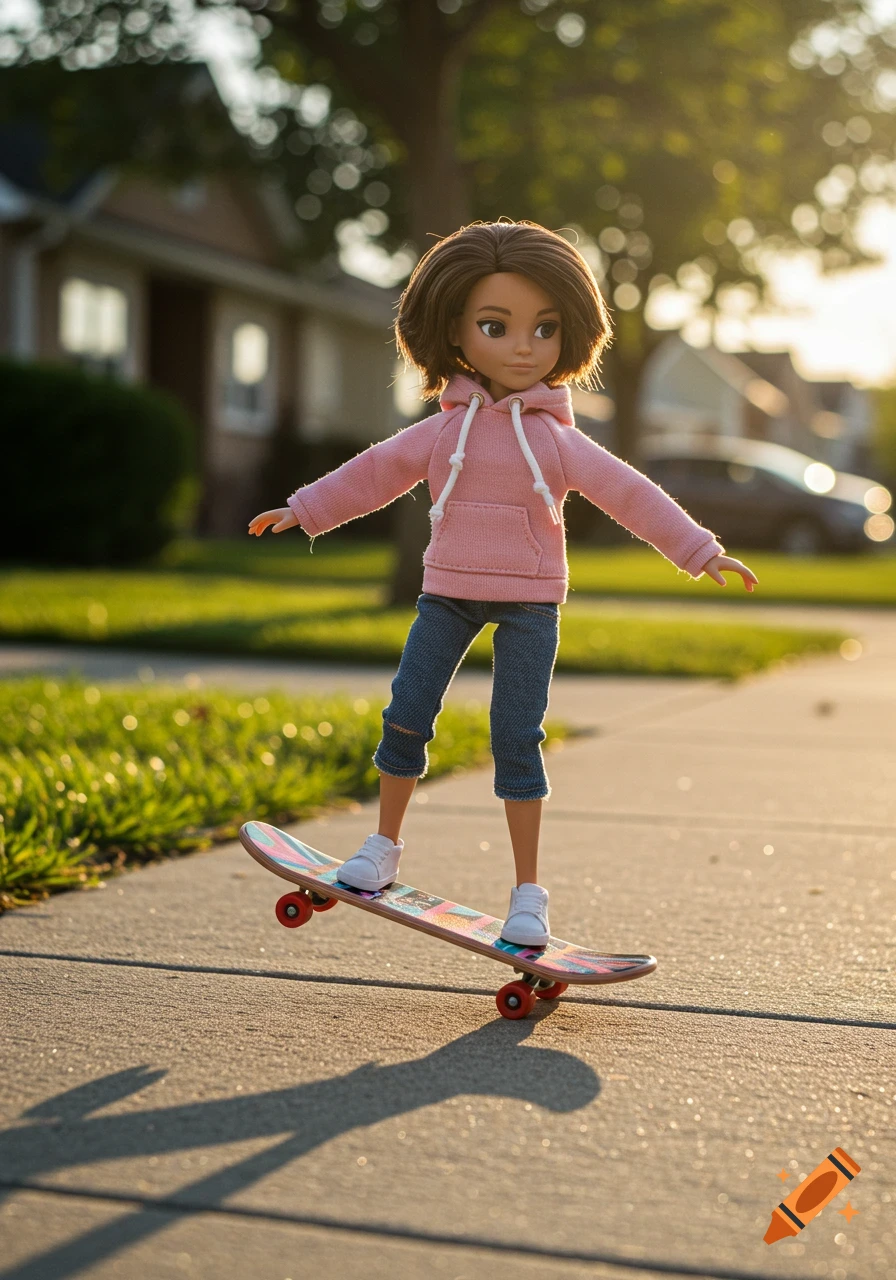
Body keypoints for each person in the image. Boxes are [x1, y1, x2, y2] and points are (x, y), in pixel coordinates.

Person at [249, 219, 758, 947]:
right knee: (405, 713)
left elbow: (630, 494)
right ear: (454, 330)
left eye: (544, 329)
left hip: (529, 604)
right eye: (497, 325)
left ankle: (528, 892)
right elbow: (376, 473)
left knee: (516, 739)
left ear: (568, 336)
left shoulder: (556, 438)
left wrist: (701, 551)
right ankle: (383, 846)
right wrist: (306, 509)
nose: (524, 346)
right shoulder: (442, 431)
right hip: (446, 594)